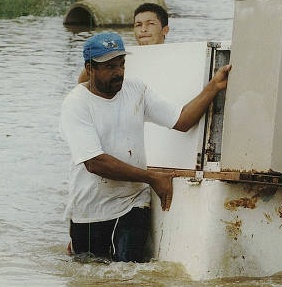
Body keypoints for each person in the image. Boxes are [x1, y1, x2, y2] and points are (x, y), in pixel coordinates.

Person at [60, 32, 231, 262]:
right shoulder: (76, 104)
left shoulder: (136, 91)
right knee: (92, 283)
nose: (119, 72)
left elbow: (181, 120)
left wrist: (214, 86)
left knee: (129, 276)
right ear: (89, 69)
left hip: (133, 203)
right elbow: (95, 162)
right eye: (110, 67)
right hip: (90, 210)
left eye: (121, 64)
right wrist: (152, 177)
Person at [77, 3, 169, 84]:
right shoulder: (119, 57)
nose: (143, 29)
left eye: (150, 24)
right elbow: (83, 82)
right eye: (138, 25)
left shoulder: (176, 57)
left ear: (165, 30)